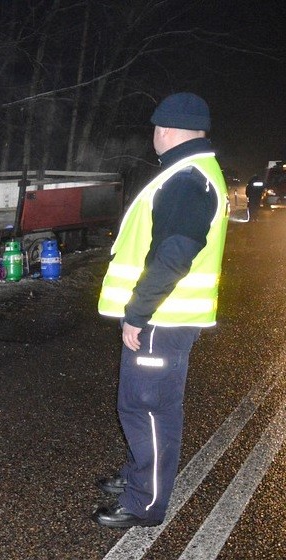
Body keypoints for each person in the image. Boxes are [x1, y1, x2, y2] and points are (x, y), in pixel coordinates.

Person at [94, 92, 229, 529]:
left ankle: (145, 502)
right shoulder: (193, 172)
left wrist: (138, 312)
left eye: (156, 128)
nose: (154, 135)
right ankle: (139, 478)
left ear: (166, 130)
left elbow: (174, 254)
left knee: (147, 409)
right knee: (140, 405)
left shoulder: (187, 179)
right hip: (164, 317)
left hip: (160, 319)